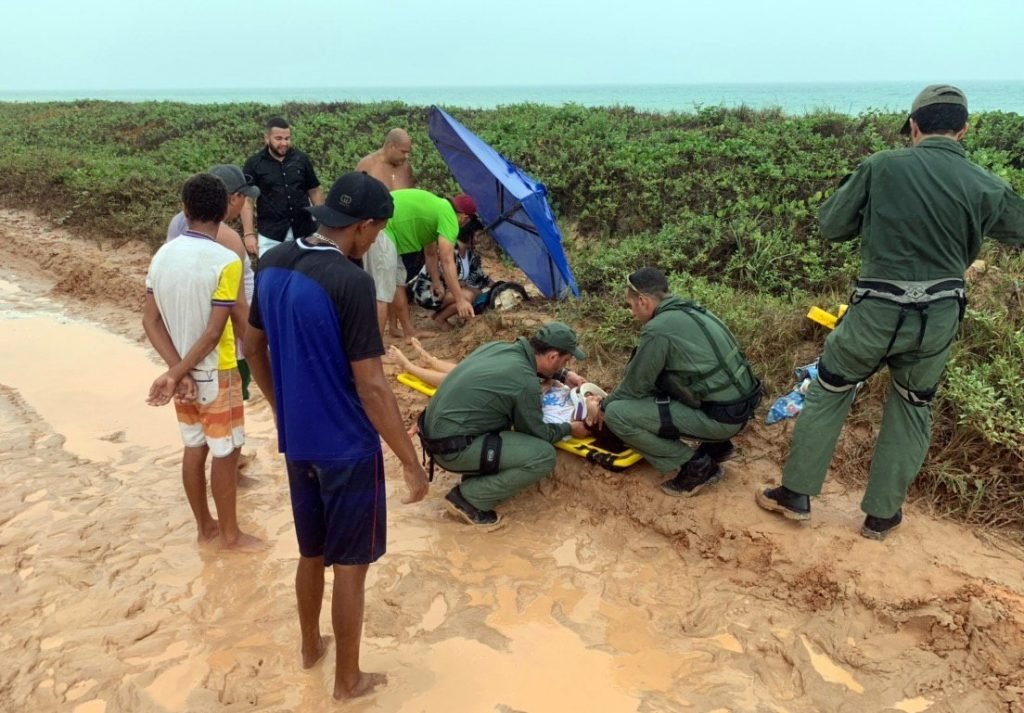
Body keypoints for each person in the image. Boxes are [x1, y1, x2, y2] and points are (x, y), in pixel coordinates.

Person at [756, 84, 1024, 540]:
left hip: (876, 309)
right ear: (964, 128)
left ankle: (797, 494)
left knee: (832, 386)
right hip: (939, 315)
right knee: (913, 404)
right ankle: (882, 517)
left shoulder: (882, 165)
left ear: (914, 126)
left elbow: (831, 225)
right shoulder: (987, 182)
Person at [243, 171, 429, 701]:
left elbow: (252, 347)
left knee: (311, 551)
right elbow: (371, 386)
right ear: (364, 226)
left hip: (298, 441)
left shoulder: (272, 261)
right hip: (347, 445)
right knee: (351, 565)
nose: (374, 242)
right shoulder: (351, 282)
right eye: (376, 233)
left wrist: (282, 408)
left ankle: (310, 648)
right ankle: (348, 680)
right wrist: (410, 462)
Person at [142, 173, 262, 550]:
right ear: (228, 208)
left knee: (194, 449)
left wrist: (176, 371)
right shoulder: (225, 261)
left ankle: (204, 528)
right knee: (226, 453)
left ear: (185, 209)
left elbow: (150, 320)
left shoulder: (163, 254)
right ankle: (231, 535)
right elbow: (216, 331)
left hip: (185, 375)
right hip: (218, 371)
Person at [596, 267, 762, 497]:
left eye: (630, 305)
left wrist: (602, 405)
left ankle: (696, 466)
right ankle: (718, 446)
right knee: (664, 383)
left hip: (721, 419)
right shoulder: (692, 310)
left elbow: (634, 387)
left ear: (643, 301)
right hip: (739, 409)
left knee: (617, 414)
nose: (632, 312)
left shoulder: (657, 329)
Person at [419, 322, 592, 529]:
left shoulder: (499, 347)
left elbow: (533, 368)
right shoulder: (525, 382)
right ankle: (468, 499)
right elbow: (539, 433)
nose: (565, 365)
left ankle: (475, 474)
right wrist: (569, 428)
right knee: (543, 456)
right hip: (451, 449)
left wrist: (563, 374)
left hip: (435, 434)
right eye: (565, 361)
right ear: (552, 356)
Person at [168, 164, 260, 398]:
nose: (244, 205)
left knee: (199, 411)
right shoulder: (228, 240)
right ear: (233, 198)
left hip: (190, 335)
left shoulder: (178, 223)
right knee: (227, 415)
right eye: (244, 198)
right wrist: (255, 350)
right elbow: (237, 306)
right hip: (225, 341)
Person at [388, 339, 604, 425]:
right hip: (524, 381)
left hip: (513, 391)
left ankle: (410, 367)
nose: (596, 398)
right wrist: (565, 377)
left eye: (598, 403)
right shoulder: (576, 395)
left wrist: (543, 387)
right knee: (472, 370)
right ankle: (431, 360)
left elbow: (529, 412)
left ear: (595, 420)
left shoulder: (570, 417)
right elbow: (545, 370)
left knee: (459, 380)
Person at [363, 188, 478, 339]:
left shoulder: (437, 210)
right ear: (464, 218)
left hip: (386, 227)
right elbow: (447, 260)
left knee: (397, 283)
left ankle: (405, 331)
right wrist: (460, 300)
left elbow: (430, 253)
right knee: (382, 292)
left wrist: (436, 281)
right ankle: (375, 349)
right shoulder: (449, 217)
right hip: (381, 228)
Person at [241, 117, 324, 257]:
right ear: (267, 138)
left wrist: (323, 226)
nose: (284, 143)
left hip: (304, 231)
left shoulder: (301, 159)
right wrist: (249, 234)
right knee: (270, 276)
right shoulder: (254, 163)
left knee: (304, 275)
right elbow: (247, 200)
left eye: (287, 138)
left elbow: (314, 191)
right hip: (270, 235)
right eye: (278, 138)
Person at [409, 221, 491, 329]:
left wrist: (498, 285)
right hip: (430, 291)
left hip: (448, 291)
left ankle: (440, 315)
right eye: (478, 235)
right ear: (469, 234)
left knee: (477, 293)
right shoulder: (449, 249)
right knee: (468, 295)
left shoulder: (471, 254)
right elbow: (443, 272)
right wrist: (460, 284)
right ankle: (441, 319)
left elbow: (479, 277)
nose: (480, 240)